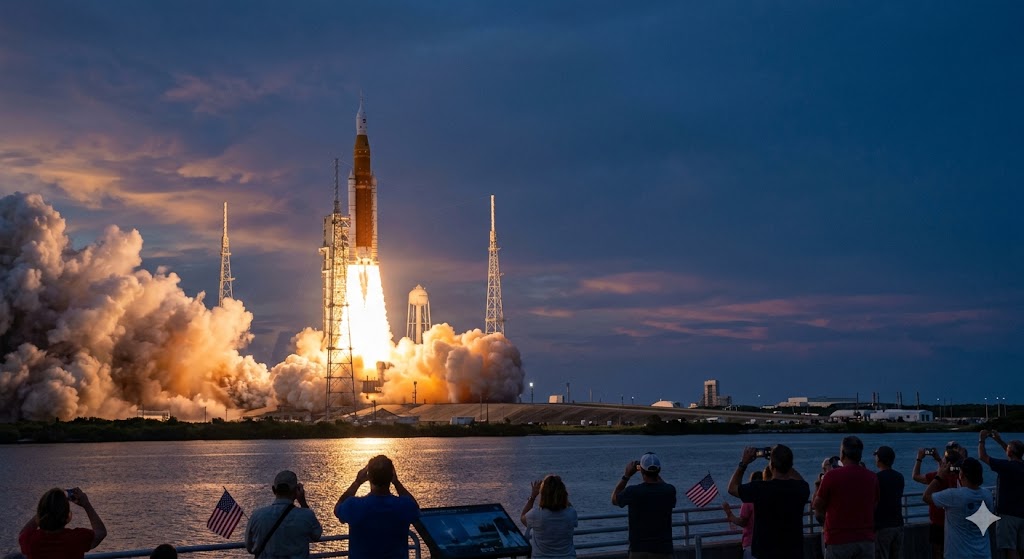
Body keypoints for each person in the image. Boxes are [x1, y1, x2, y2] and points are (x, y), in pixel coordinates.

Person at [728, 444, 810, 559]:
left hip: (766, 553)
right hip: (793, 553)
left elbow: (732, 488)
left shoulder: (760, 488)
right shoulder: (801, 489)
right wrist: (783, 460)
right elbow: (798, 478)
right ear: (790, 465)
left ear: (771, 466)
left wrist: (743, 463)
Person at [335, 455, 420, 559]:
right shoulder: (403, 506)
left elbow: (337, 508)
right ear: (391, 475)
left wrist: (357, 482)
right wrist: (397, 483)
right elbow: (415, 509)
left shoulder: (354, 506)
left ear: (369, 477)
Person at [812, 436, 879, 559]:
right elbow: (874, 506)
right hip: (865, 539)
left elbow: (816, 505)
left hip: (838, 539)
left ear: (842, 453)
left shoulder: (831, 476)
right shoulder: (872, 477)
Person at [924, 457, 993, 559]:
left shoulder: (953, 496)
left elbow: (926, 496)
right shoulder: (987, 495)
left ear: (961, 475)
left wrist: (939, 476)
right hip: (983, 554)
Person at [611, 452, 677, 558]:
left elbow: (614, 499)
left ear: (641, 470)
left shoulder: (633, 491)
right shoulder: (669, 490)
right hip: (664, 550)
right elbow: (663, 485)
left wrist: (626, 476)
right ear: (659, 470)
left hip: (638, 550)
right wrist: (654, 472)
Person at [244, 470, 322, 559]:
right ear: (296, 490)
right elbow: (316, 535)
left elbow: (250, 547)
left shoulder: (257, 516)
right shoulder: (306, 515)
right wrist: (303, 503)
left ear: (273, 490)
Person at [19, 487, 107, 559]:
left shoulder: (30, 540)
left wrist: (48, 507)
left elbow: (23, 533)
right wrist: (86, 505)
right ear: (66, 514)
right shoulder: (77, 538)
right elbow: (101, 532)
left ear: (41, 511)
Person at [913, 442, 965, 559]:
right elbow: (947, 469)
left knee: (937, 552)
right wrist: (937, 459)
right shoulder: (961, 477)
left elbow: (915, 476)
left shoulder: (935, 476)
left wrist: (919, 459)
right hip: (954, 522)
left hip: (937, 522)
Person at [979, 430, 1024, 559]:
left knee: (1010, 549)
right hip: (1022, 514)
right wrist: (999, 441)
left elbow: (983, 456)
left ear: (1009, 452)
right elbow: (1014, 455)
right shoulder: (1020, 466)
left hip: (1008, 515)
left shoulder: (1006, 467)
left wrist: (981, 439)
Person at [521, 474, 578, 558]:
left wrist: (533, 497)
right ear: (563, 492)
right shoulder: (571, 513)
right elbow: (568, 506)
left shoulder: (536, 514)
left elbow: (522, 517)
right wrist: (562, 497)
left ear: (543, 494)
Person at [873, 446, 904, 559]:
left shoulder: (876, 478)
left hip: (883, 527)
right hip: (898, 525)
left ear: (879, 459)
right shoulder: (899, 477)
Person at [723, 470, 761, 559]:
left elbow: (742, 522)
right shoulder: (770, 498)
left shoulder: (748, 500)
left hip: (751, 544)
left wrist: (729, 514)